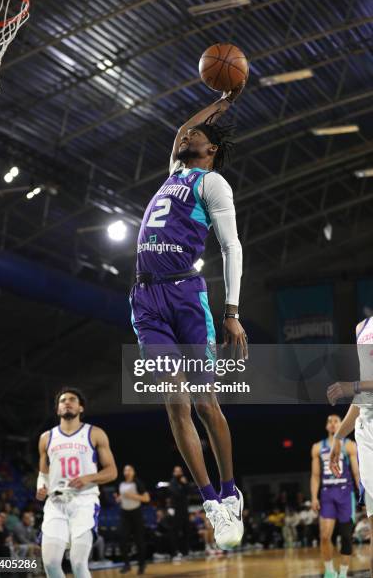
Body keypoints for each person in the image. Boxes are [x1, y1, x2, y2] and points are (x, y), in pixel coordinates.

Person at [130, 87, 247, 551]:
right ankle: (210, 503)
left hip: (186, 295)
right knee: (175, 404)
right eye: (186, 135)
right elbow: (182, 129)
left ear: (211, 150)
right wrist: (222, 99)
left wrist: (232, 313)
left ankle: (231, 490)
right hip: (145, 301)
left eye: (196, 136)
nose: (184, 137)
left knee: (205, 404)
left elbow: (231, 247)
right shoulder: (174, 170)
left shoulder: (211, 184)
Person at [36, 387, 117, 578]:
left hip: (84, 501)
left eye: (72, 399)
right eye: (63, 400)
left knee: (78, 562)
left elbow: (112, 471)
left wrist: (89, 478)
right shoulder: (46, 438)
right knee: (50, 563)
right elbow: (43, 472)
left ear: (80, 408)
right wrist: (41, 486)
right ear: (58, 410)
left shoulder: (95, 433)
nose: (67, 402)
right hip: (56, 504)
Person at [328, 316, 373, 577]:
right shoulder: (362, 327)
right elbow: (363, 397)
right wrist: (338, 437)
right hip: (367, 434)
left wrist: (352, 386)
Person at [311, 414, 359, 578]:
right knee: (324, 536)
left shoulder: (349, 445)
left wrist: (362, 492)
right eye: (329, 421)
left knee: (346, 536)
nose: (332, 424)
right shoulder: (318, 447)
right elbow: (315, 476)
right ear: (326, 426)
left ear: (341, 424)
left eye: (336, 421)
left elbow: (356, 473)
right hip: (327, 494)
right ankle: (330, 571)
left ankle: (343, 573)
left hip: (345, 493)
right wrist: (314, 497)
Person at [115, 464, 150, 575]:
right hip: (125, 514)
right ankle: (126, 564)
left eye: (129, 469)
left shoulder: (138, 483)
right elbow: (118, 497)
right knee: (122, 539)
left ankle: (141, 565)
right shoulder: (120, 484)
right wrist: (119, 498)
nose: (127, 472)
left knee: (139, 541)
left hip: (136, 514)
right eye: (125, 470)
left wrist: (132, 496)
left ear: (133, 472)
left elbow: (146, 498)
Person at [169, 466, 190, 558]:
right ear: (174, 473)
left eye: (180, 471)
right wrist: (182, 487)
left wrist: (185, 484)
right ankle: (175, 551)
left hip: (184, 510)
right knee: (175, 532)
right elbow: (176, 494)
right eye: (176, 471)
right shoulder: (172, 482)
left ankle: (186, 551)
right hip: (176, 510)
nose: (178, 473)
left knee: (186, 530)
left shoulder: (183, 481)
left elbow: (189, 491)